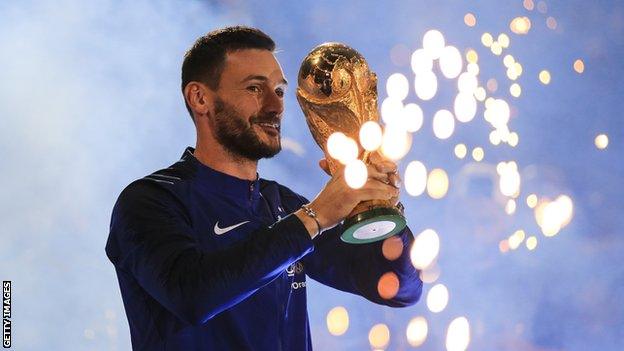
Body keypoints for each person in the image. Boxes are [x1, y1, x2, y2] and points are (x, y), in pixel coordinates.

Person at [105, 26, 422, 351]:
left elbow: (401, 289)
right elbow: (192, 296)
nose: (275, 106)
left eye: (280, 91)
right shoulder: (150, 201)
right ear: (200, 98)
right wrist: (315, 217)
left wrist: (383, 210)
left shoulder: (281, 204)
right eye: (255, 88)